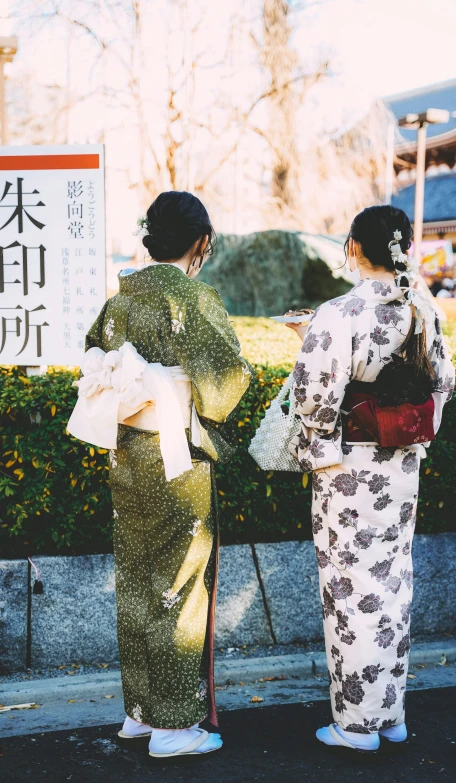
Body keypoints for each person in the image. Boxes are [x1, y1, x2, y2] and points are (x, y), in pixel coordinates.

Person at [68, 191, 252, 758]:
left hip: (127, 452)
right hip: (175, 457)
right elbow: (227, 382)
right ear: (200, 242)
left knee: (138, 577)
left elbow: (92, 355)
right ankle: (174, 726)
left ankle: (141, 712)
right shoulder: (193, 299)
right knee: (178, 585)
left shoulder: (122, 296)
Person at [286, 205, 455, 753]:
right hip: (401, 464)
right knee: (392, 584)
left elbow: (314, 396)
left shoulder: (339, 313)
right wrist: (412, 435)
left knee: (351, 590)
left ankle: (356, 725)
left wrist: (318, 443)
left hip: (348, 468)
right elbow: (442, 383)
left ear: (355, 249)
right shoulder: (422, 310)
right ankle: (390, 715)